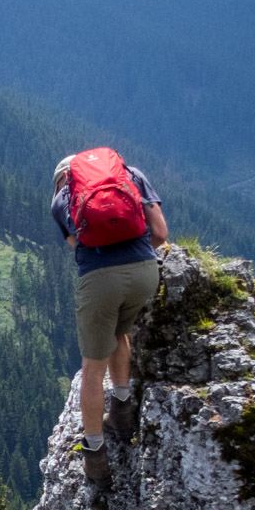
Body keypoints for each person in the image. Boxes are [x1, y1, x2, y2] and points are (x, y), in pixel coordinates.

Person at [52, 151, 169, 480]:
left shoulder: (62, 199)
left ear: (65, 178)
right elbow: (160, 233)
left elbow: (79, 248)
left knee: (92, 367)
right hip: (146, 274)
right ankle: (121, 410)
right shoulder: (131, 175)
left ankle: (95, 459)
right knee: (120, 332)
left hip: (101, 281)